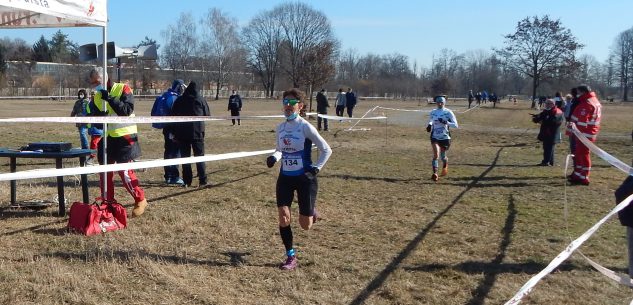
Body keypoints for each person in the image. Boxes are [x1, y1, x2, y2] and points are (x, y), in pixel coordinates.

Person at [265, 88, 332, 270]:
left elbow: (326, 149)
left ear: (300, 106)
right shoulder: (280, 128)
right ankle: (290, 256)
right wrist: (274, 157)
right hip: (285, 178)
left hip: (305, 178)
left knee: (305, 225)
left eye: (292, 103)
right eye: (285, 102)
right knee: (283, 217)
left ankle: (311, 211)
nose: (288, 105)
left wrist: (316, 169)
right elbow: (280, 149)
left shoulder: (305, 127)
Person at [87, 68, 148, 217]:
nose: (95, 85)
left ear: (105, 78)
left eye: (97, 82)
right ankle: (108, 204)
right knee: (105, 173)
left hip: (125, 137)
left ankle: (140, 199)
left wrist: (109, 98)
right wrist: (95, 115)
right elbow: (97, 121)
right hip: (107, 139)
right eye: (92, 83)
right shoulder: (96, 97)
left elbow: (126, 110)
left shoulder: (123, 88)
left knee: (125, 172)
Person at [168, 81, 211, 188]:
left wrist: (173, 132)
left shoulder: (180, 100)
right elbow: (207, 115)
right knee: (199, 157)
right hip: (197, 133)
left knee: (185, 158)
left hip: (182, 133)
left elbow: (173, 116)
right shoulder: (200, 99)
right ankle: (203, 180)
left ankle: (187, 181)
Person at [151, 79, 186, 186]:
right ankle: (173, 176)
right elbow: (177, 113)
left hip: (166, 128)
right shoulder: (174, 98)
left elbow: (153, 112)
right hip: (173, 128)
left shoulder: (164, 96)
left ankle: (168, 176)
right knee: (175, 152)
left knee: (168, 151)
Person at [567, 85, 602, 185]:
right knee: (579, 154)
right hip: (588, 132)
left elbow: (583, 121)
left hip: (584, 134)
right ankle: (578, 174)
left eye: (578, 92)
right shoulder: (594, 101)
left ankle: (584, 177)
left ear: (583, 92)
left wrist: (575, 130)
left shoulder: (587, 103)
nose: (577, 95)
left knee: (583, 154)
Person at [426, 96, 458, 181]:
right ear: (436, 103)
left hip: (445, 138)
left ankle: (445, 163)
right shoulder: (433, 112)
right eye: (438, 102)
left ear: (444, 103)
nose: (440, 104)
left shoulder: (448, 112)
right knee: (436, 155)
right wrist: (429, 125)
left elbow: (456, 125)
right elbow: (431, 120)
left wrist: (446, 122)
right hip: (434, 137)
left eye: (442, 102)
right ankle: (435, 173)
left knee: (443, 157)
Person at [531, 99, 563, 166]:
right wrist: (536, 118)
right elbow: (541, 116)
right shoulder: (546, 110)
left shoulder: (557, 111)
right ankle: (549, 161)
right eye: (546, 103)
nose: (547, 104)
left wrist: (543, 121)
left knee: (549, 147)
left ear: (553, 104)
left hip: (552, 133)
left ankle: (546, 162)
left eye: (549, 103)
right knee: (547, 147)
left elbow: (554, 122)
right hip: (545, 132)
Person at [85, 91, 103, 165]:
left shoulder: (99, 103)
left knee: (94, 142)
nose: (93, 96)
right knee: (95, 142)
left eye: (94, 94)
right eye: (91, 94)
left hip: (98, 127)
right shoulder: (90, 103)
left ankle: (92, 157)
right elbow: (88, 113)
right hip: (93, 126)